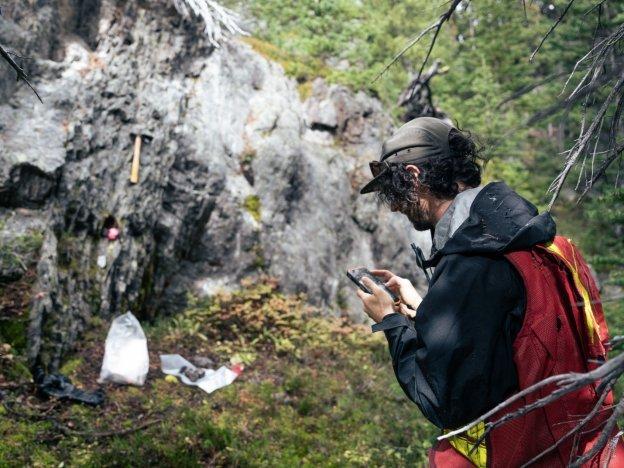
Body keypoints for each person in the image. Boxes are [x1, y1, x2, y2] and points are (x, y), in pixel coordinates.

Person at [354, 117, 624, 467]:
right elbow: (511, 338)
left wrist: (390, 321)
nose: (394, 206)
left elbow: (441, 401)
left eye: (395, 191)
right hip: (586, 447)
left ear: (415, 175)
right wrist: (428, 311)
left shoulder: (473, 264)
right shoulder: (541, 243)